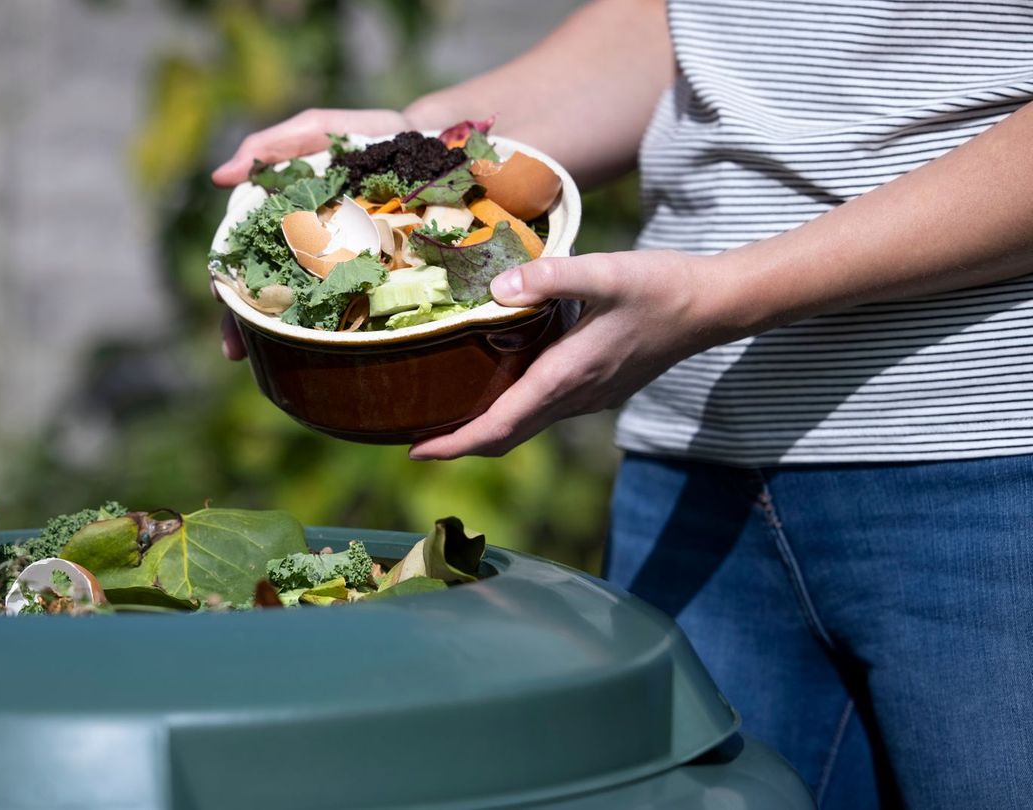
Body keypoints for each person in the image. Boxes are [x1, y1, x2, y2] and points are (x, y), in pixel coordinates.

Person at [210, 1, 1033, 807]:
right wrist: (409, 144)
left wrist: (724, 293)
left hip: (983, 470)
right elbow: (701, 26)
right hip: (693, 469)